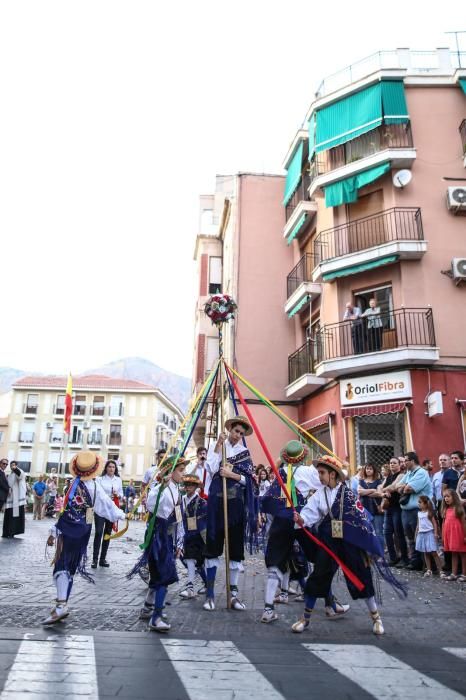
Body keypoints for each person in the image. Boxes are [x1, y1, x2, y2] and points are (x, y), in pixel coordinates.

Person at [292, 455, 407, 636]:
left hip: (350, 542)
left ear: (332, 474)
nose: (319, 476)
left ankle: (376, 618)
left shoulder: (348, 494)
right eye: (318, 472)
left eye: (322, 473)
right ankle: (305, 619)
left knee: (362, 576)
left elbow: (362, 520)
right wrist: (301, 518)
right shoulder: (319, 494)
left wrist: (367, 546)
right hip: (329, 542)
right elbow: (309, 514)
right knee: (318, 576)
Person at [260, 441, 348, 624]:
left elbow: (270, 499)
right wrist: (343, 468)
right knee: (321, 560)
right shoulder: (309, 472)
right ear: (303, 456)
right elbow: (337, 479)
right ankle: (330, 604)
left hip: (281, 522)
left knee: (275, 563)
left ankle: (268, 609)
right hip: (301, 520)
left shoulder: (279, 473)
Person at [42, 451, 126, 624]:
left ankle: (61, 605)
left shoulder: (74, 485)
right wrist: (122, 515)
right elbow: (107, 507)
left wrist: (54, 531)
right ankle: (62, 603)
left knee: (62, 565)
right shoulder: (95, 487)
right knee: (70, 566)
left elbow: (66, 513)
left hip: (69, 529)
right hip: (84, 530)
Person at [203, 416, 257, 612]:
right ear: (230, 430)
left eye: (241, 434)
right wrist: (218, 446)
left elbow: (250, 480)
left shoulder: (244, 453)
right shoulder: (218, 447)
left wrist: (232, 475)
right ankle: (209, 594)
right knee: (213, 547)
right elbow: (209, 469)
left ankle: (233, 595)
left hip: (236, 507)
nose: (238, 436)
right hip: (217, 505)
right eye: (236, 432)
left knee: (235, 550)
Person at [130, 456, 188, 632]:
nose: (183, 474)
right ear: (170, 472)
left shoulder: (177, 490)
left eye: (183, 470)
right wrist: (161, 486)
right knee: (163, 575)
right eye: (180, 470)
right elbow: (150, 504)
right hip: (158, 535)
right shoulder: (160, 489)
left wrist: (179, 542)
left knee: (158, 573)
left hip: (168, 535)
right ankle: (156, 617)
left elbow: (179, 519)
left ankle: (148, 608)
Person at [396, 451, 433, 571]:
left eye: (406, 460)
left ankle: (426, 564)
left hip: (418, 510)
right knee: (411, 538)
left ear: (412, 461)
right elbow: (398, 487)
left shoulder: (421, 473)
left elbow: (409, 489)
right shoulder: (409, 473)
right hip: (406, 511)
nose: (404, 463)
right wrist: (403, 488)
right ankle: (415, 561)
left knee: (420, 536)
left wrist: (404, 488)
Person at [179, 473, 207, 599]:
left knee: (196, 562)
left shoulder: (202, 502)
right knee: (191, 560)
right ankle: (197, 585)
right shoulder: (181, 500)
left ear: (196, 487)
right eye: (186, 485)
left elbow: (206, 522)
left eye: (191, 485)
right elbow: (177, 517)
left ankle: (199, 586)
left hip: (198, 537)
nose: (188, 487)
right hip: (185, 535)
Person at [92, 460, 124, 568]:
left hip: (111, 510)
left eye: (113, 467)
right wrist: (106, 497)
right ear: (106, 468)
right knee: (98, 532)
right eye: (109, 467)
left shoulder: (118, 480)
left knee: (107, 534)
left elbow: (121, 495)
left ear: (115, 469)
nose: (111, 469)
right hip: (100, 510)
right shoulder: (99, 479)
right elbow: (97, 493)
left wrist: (117, 495)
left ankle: (102, 559)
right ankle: (94, 559)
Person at [380, 457, 408, 567]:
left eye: (394, 463)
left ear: (399, 464)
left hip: (397, 507)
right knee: (386, 532)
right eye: (390, 463)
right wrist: (384, 490)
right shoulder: (389, 476)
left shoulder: (401, 475)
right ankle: (393, 557)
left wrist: (385, 490)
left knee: (398, 533)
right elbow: (380, 488)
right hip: (388, 508)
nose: (392, 464)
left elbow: (393, 487)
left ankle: (404, 558)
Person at [441, 489, 466, 582]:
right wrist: (443, 536)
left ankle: (464, 574)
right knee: (453, 554)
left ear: (454, 497)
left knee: (463, 554)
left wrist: (465, 536)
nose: (446, 499)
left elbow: (464, 523)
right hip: (450, 535)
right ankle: (454, 573)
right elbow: (444, 524)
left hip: (459, 535)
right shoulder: (446, 510)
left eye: (448, 496)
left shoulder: (458, 509)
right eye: (444, 497)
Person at [357, 464, 384, 551]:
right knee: (366, 532)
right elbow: (359, 492)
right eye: (367, 469)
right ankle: (370, 553)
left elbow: (379, 493)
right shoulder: (361, 481)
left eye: (370, 469)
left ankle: (380, 552)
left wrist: (366, 492)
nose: (368, 470)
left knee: (378, 532)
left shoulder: (378, 481)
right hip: (364, 510)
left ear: (374, 470)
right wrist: (372, 490)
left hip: (376, 509)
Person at [415, 495, 443, 577]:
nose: (418, 504)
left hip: (429, 533)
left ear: (426, 503)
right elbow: (418, 525)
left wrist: (435, 533)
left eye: (420, 502)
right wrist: (416, 534)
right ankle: (429, 569)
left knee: (434, 552)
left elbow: (434, 524)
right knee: (425, 552)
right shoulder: (419, 513)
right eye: (418, 502)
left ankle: (441, 570)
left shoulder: (429, 513)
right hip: (422, 533)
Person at [2, 461, 27, 538]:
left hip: (17, 499)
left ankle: (12, 532)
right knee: (8, 516)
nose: (12, 466)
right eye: (11, 465)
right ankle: (6, 532)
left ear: (16, 466)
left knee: (14, 517)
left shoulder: (19, 471)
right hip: (10, 498)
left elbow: (20, 476)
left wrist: (15, 469)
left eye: (14, 465)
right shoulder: (10, 474)